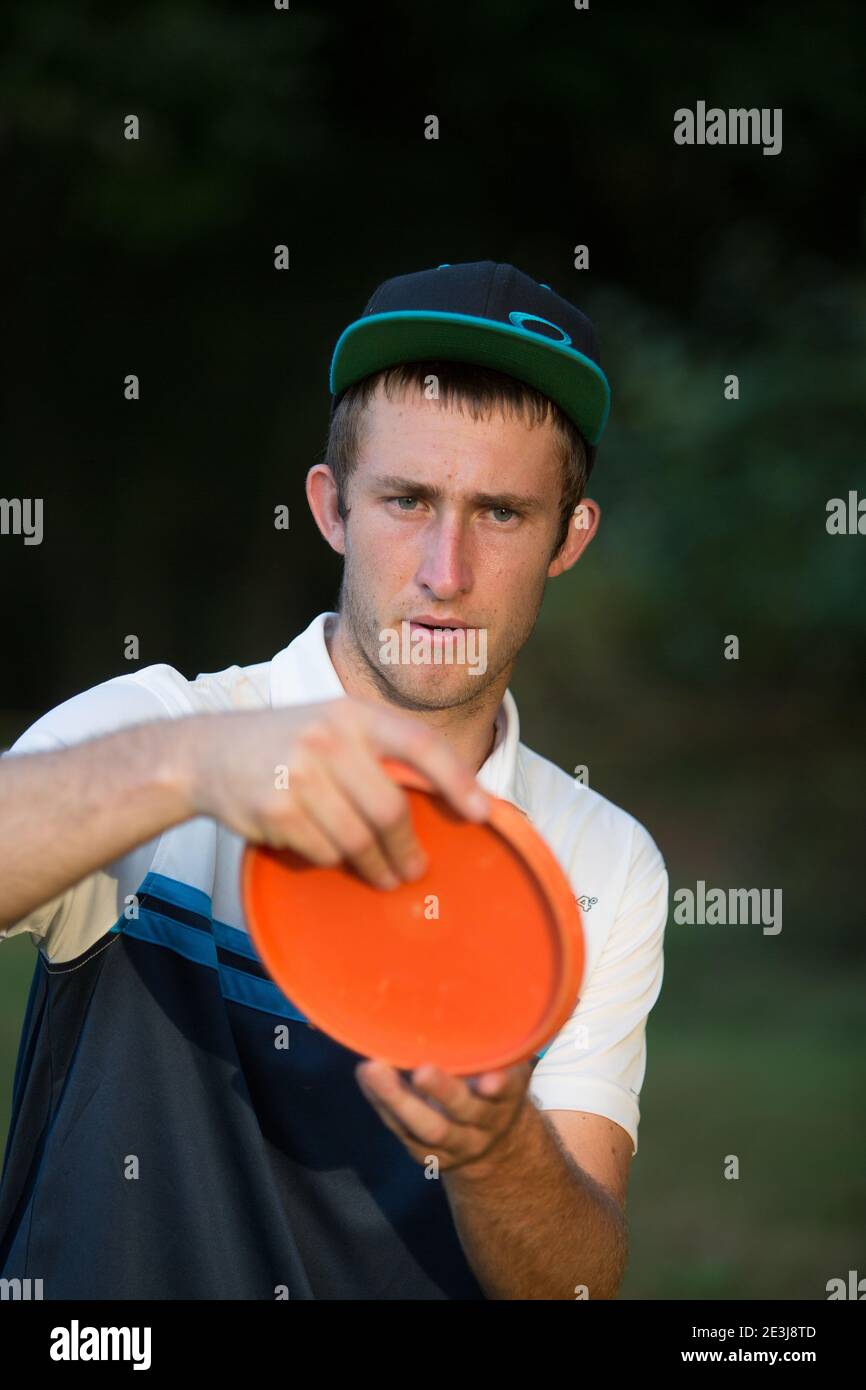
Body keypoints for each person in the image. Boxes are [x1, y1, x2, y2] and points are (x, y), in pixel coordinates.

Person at [0, 260, 668, 1300]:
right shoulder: (163, 729)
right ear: (331, 508)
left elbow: (571, 1287)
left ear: (566, 540)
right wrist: (185, 771)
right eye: (406, 500)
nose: (443, 572)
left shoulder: (600, 859)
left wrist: (497, 1152)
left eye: (498, 513)